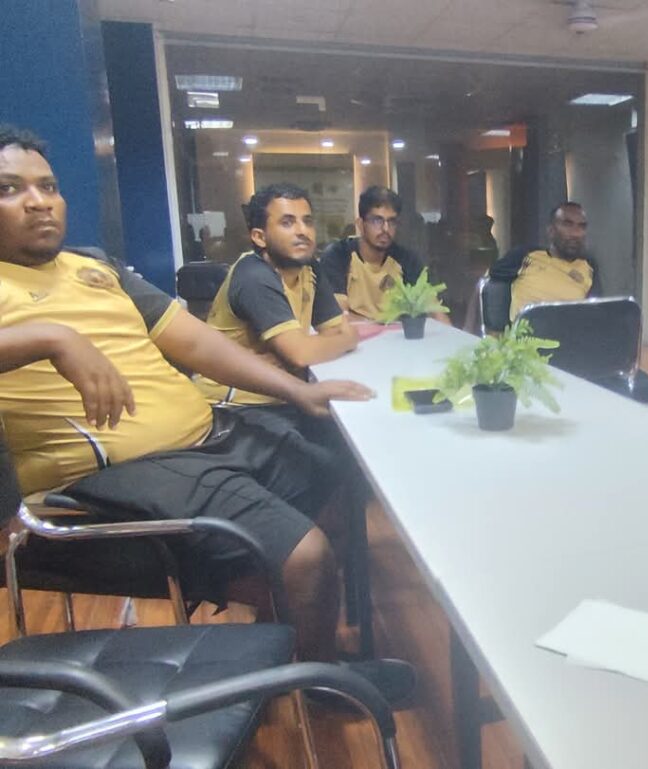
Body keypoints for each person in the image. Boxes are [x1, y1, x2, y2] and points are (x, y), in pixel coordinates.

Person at [0, 125, 413, 701]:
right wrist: (51, 337)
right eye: (10, 189)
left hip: (206, 436)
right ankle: (319, 688)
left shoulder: (93, 267)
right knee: (306, 553)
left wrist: (299, 393)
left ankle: (284, 630)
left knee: (342, 470)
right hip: (115, 475)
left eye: (47, 186)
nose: (39, 201)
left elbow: (195, 342)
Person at [194, 183, 358, 405]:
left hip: (285, 394)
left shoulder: (309, 267)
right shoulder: (254, 276)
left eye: (307, 221)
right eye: (287, 222)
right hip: (235, 405)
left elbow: (337, 330)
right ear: (259, 237)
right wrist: (343, 341)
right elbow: (302, 355)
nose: (302, 231)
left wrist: (334, 341)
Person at [320, 185, 448, 323]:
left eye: (391, 221)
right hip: (353, 334)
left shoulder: (407, 259)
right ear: (360, 224)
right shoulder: (337, 256)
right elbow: (338, 316)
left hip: (397, 334)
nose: (385, 229)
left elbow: (434, 309)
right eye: (377, 221)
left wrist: (452, 334)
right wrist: (377, 326)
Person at [490, 201, 601, 321]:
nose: (575, 233)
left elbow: (594, 313)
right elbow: (489, 281)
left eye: (582, 226)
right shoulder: (525, 256)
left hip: (570, 330)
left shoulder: (589, 267)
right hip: (528, 331)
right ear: (551, 231)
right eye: (567, 224)